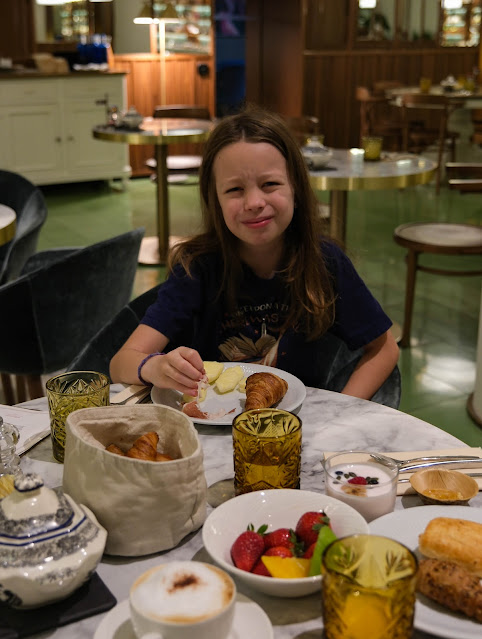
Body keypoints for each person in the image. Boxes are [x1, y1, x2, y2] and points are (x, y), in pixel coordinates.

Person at [110, 106, 399, 403]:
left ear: (296, 188)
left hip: (297, 423)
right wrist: (155, 366)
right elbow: (121, 363)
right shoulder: (196, 268)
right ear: (215, 200)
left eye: (270, 184)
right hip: (212, 423)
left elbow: (384, 348)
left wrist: (340, 411)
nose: (254, 202)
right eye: (235, 189)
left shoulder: (325, 263)